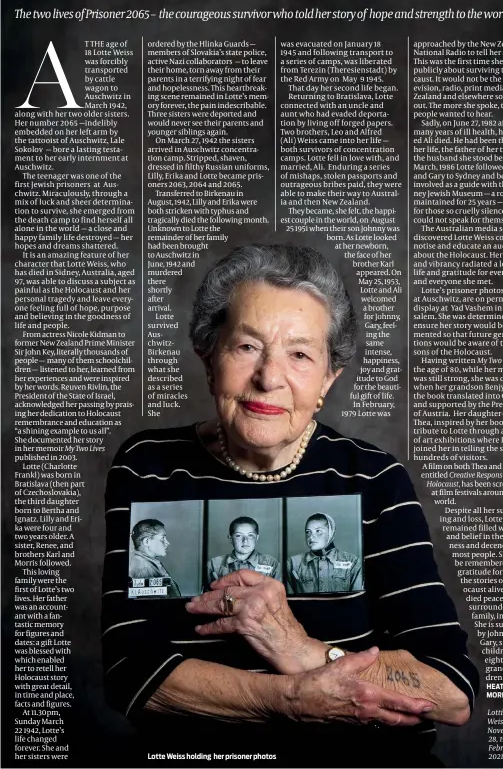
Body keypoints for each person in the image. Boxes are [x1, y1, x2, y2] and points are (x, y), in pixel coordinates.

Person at [102, 244, 479, 768]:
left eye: (299, 354)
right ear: (208, 357)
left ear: (328, 379)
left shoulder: (375, 479)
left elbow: (452, 692)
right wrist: (290, 701)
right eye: (247, 347)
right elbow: (131, 673)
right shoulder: (149, 466)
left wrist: (300, 650)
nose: (269, 377)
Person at [287, 512, 363, 594]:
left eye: (318, 531)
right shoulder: (292, 563)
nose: (311, 537)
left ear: (331, 532)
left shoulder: (352, 562)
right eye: (308, 532)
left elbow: (356, 599)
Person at [206, 516, 282, 584]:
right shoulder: (214, 565)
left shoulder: (271, 563)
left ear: (257, 537)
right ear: (230, 538)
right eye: (238, 535)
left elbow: (278, 595)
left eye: (250, 535)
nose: (245, 540)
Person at [128, 519, 181, 598]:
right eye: (162, 538)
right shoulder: (145, 569)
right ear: (147, 541)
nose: (167, 542)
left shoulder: (145, 563)